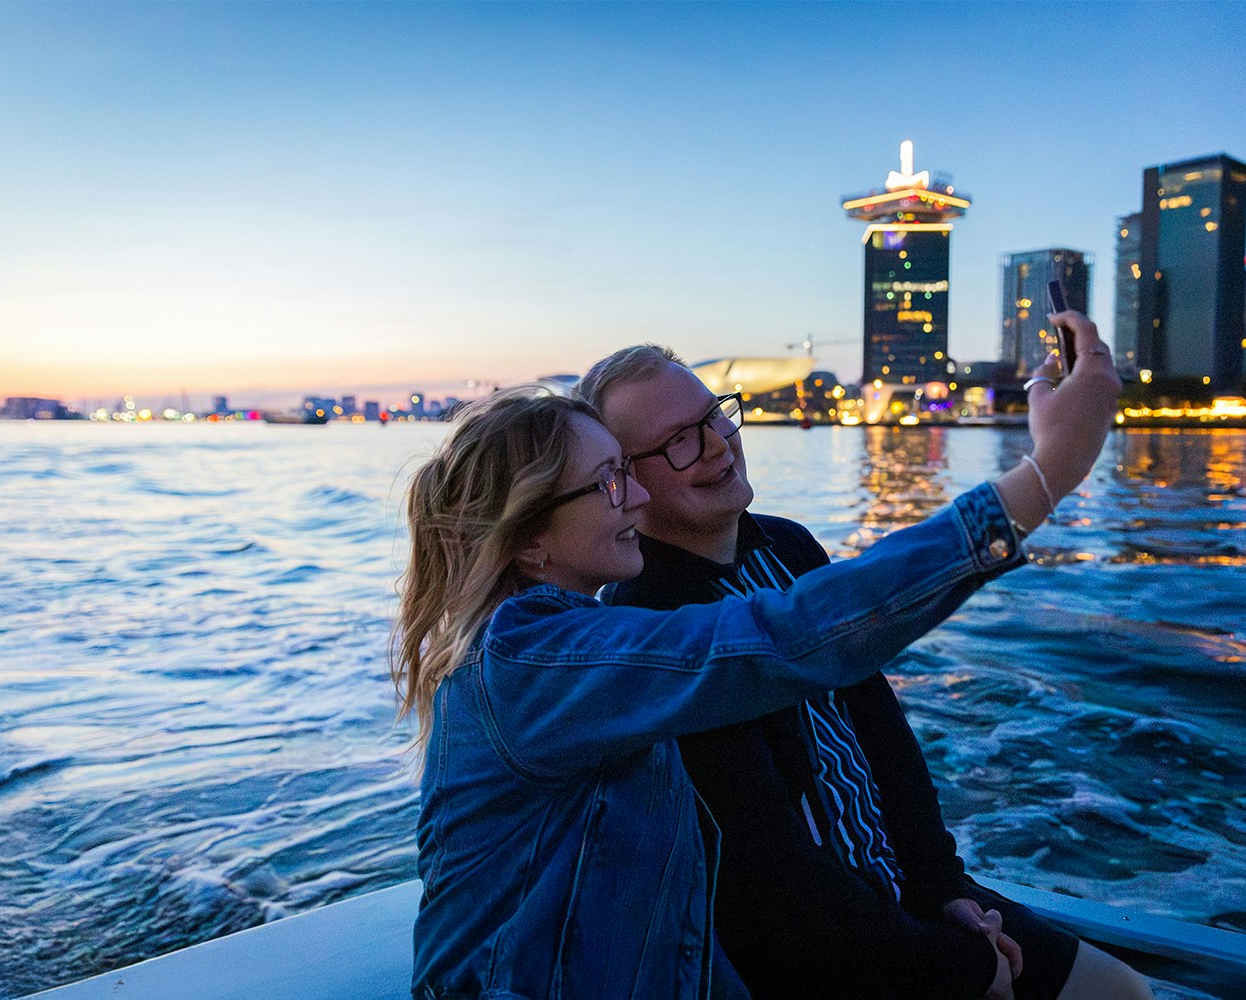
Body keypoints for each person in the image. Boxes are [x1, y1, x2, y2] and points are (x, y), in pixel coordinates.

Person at [393, 310, 1120, 1000]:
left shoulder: (580, 642)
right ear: (529, 539)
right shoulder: (533, 664)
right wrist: (1049, 471)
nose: (632, 501)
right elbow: (780, 646)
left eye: (627, 472)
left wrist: (940, 892)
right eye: (610, 481)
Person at [581, 333, 1152, 999]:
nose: (715, 444)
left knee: (1119, 990)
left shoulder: (787, 545)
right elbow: (771, 875)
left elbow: (879, 729)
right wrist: (957, 965)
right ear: (623, 482)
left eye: (715, 415)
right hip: (814, 956)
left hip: (903, 891)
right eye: (679, 440)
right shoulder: (649, 623)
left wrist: (941, 889)